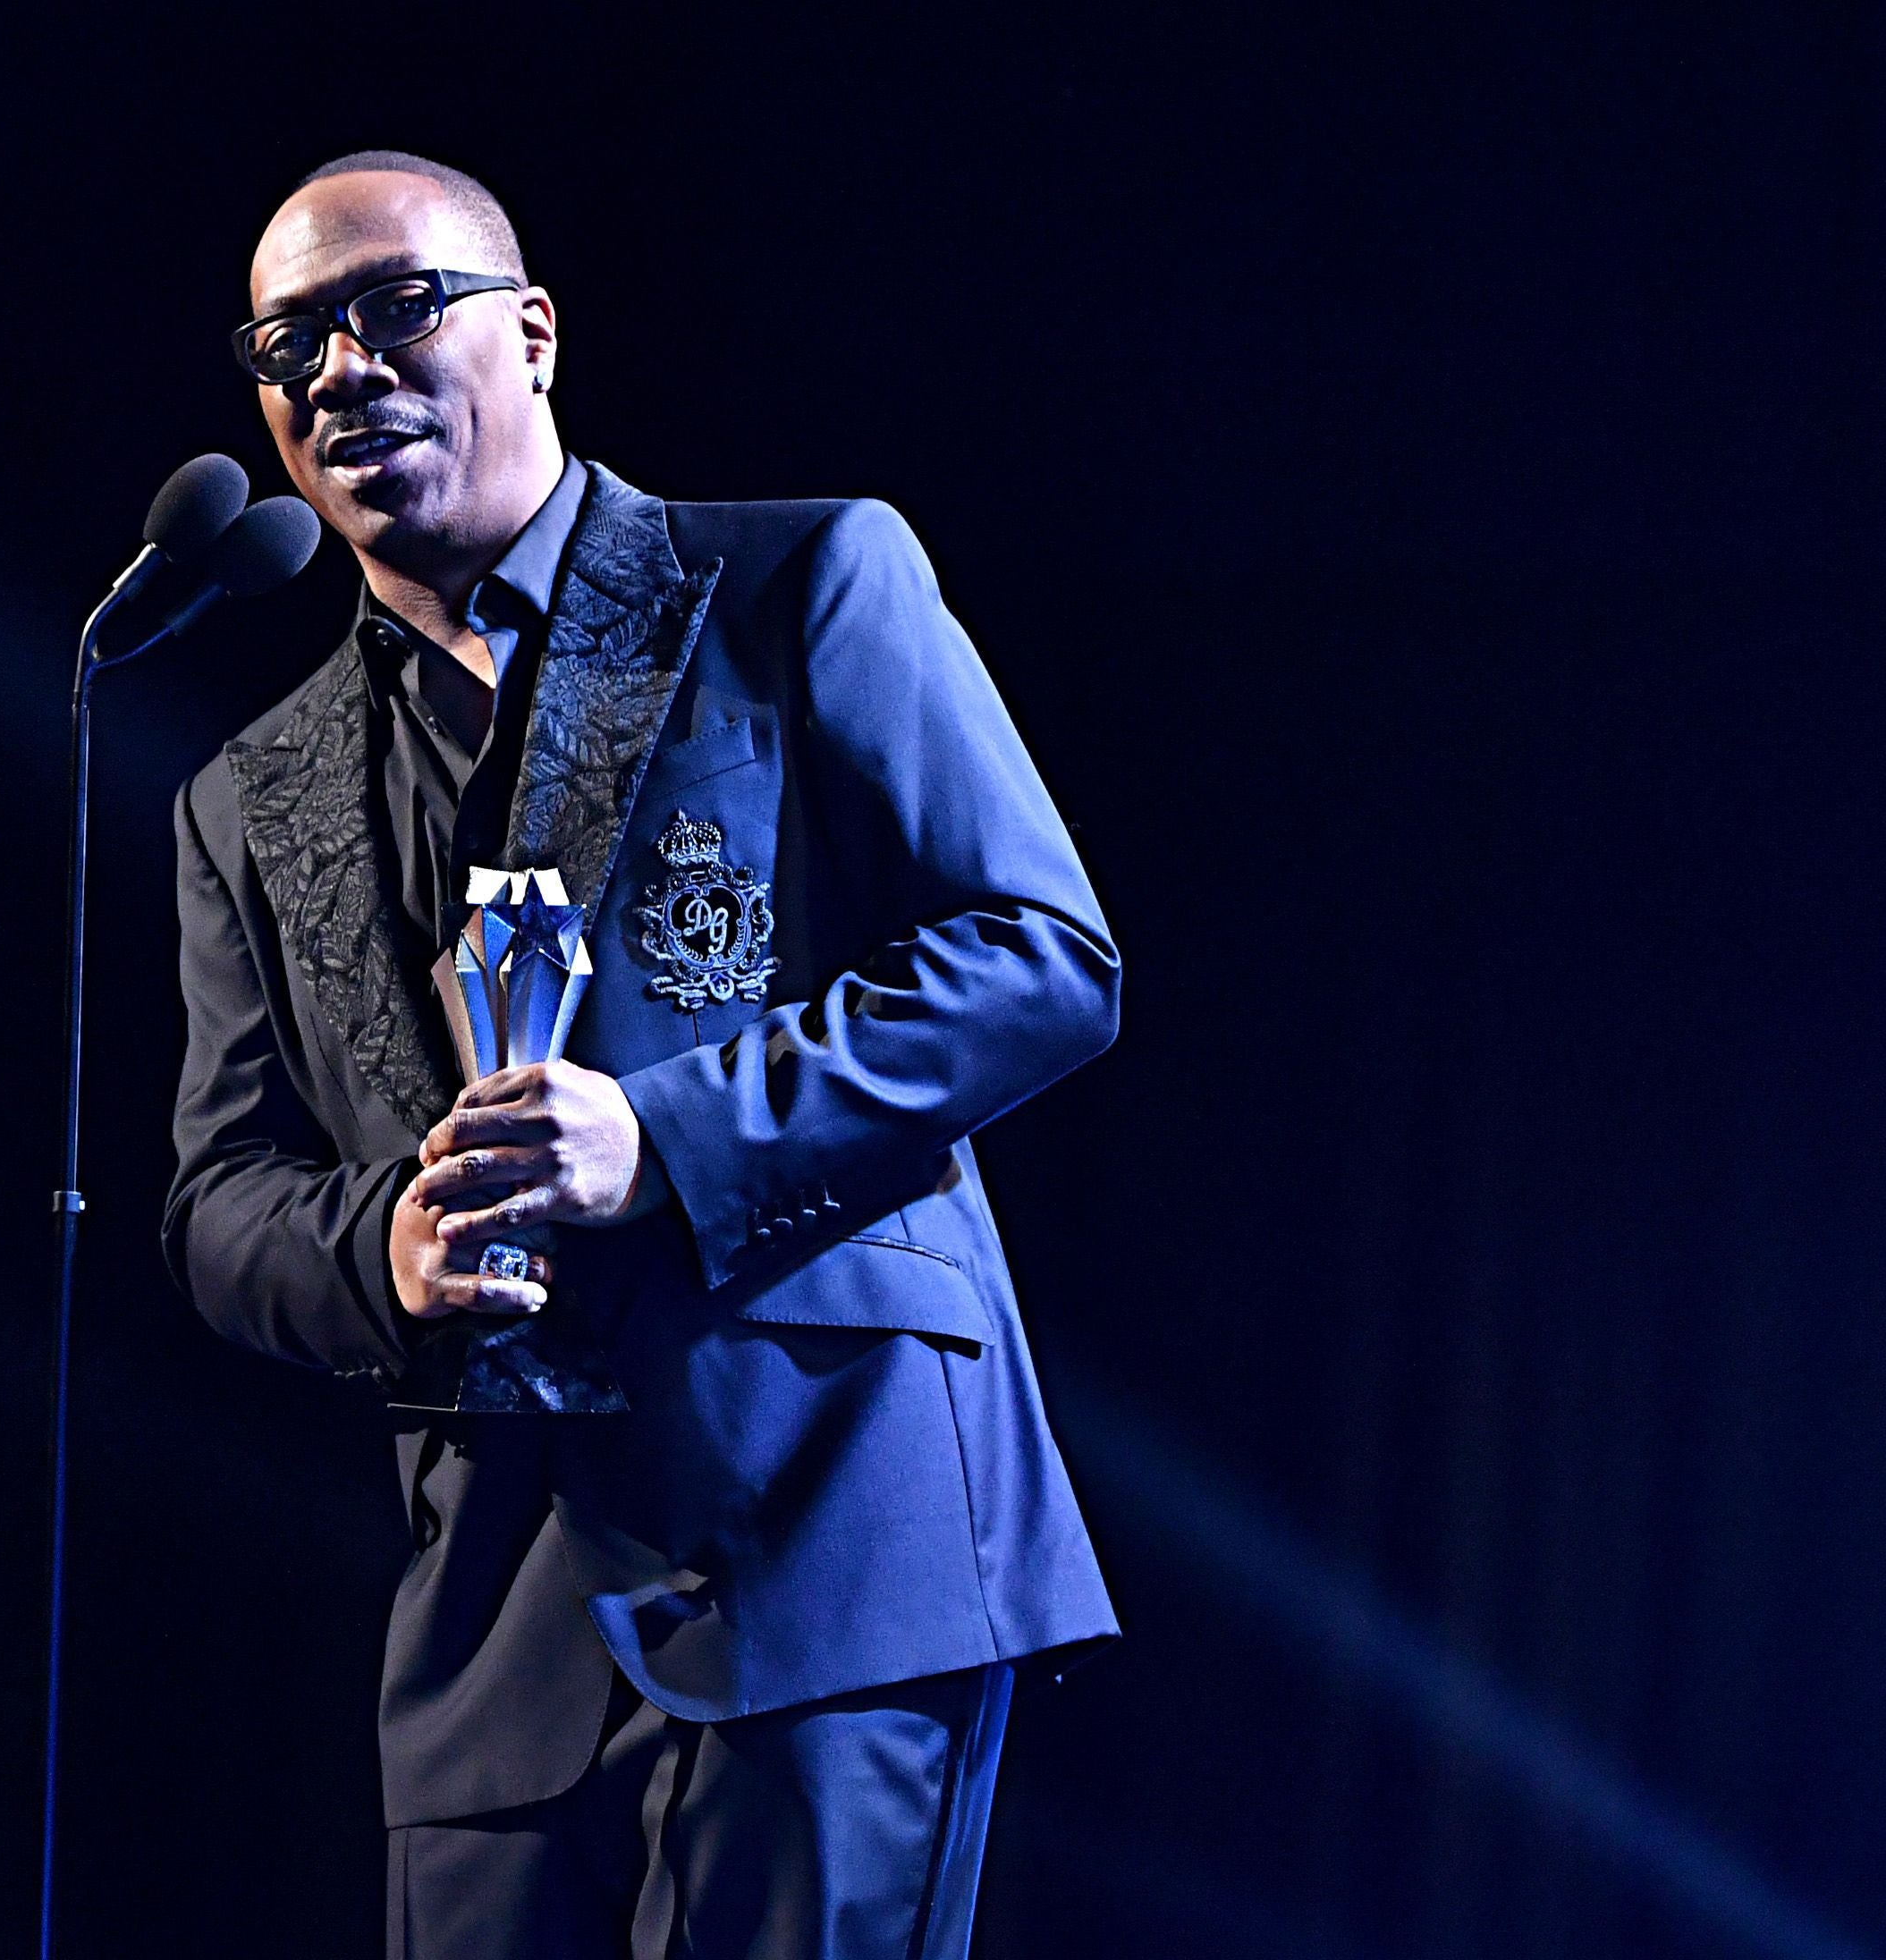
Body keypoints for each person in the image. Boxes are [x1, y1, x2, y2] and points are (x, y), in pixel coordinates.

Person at [164, 149, 1121, 1960]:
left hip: (826, 1531)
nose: (339, 370)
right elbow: (217, 1200)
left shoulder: (792, 581)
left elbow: (1040, 960)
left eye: (391, 308)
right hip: (494, 1609)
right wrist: (378, 1251)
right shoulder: (245, 793)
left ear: (529, 333)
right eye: (289, 343)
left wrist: (663, 1139)